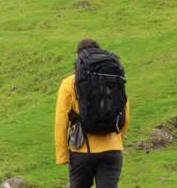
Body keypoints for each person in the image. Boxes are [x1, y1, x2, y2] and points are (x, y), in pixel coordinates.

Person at [54, 38, 131, 188]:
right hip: (112, 150)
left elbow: (61, 120)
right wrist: (118, 139)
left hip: (82, 150)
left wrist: (62, 155)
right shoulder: (113, 77)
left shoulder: (70, 83)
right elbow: (125, 112)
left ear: (79, 57)